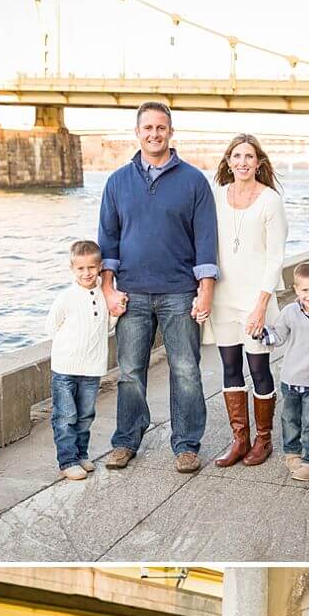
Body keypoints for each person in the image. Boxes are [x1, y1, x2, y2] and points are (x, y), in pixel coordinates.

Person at [97, 101, 218, 474]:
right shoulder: (118, 181)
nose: (154, 134)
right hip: (131, 292)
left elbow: (205, 240)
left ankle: (186, 444)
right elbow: (107, 239)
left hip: (179, 291)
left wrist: (206, 289)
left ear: (171, 131)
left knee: (186, 370)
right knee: (131, 371)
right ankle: (126, 441)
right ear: (137, 133)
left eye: (161, 128)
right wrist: (108, 288)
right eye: (147, 128)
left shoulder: (194, 181)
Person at [204, 134, 288, 468]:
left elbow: (275, 257)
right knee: (229, 367)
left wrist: (261, 305)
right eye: (236, 156)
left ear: (259, 163)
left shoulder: (270, 201)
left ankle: (263, 440)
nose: (242, 162)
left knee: (258, 368)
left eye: (249, 157)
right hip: (224, 298)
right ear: (228, 161)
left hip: (256, 300)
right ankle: (239, 440)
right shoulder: (217, 197)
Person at [254, 261, 309, 481]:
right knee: (289, 419)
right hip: (290, 378)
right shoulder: (290, 312)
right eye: (305, 290)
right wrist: (259, 333)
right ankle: (292, 453)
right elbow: (278, 337)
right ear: (296, 289)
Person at [45, 239, 121, 481]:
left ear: (99, 267)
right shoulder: (66, 298)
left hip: (92, 368)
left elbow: (106, 328)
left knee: (86, 414)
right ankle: (67, 460)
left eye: (91, 267)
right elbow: (51, 327)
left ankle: (81, 453)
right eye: (81, 268)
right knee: (66, 415)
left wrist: (117, 313)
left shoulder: (103, 294)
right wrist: (69, 347)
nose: (86, 273)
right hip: (65, 367)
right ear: (72, 269)